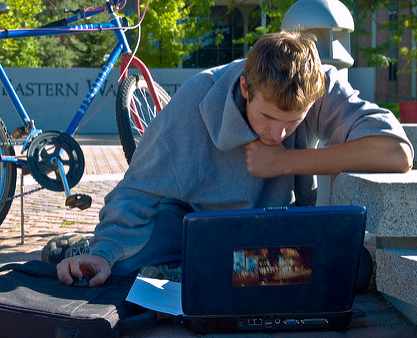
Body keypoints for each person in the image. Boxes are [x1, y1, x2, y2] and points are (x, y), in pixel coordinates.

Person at [53, 31, 414, 287]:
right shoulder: (195, 101)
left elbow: (396, 153)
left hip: (273, 226)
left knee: (355, 269)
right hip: (191, 225)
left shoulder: (317, 85)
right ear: (245, 87)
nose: (278, 135)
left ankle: (208, 273)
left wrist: (285, 163)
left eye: (294, 122)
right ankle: (81, 248)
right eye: (269, 117)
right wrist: (104, 251)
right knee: (117, 265)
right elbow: (136, 190)